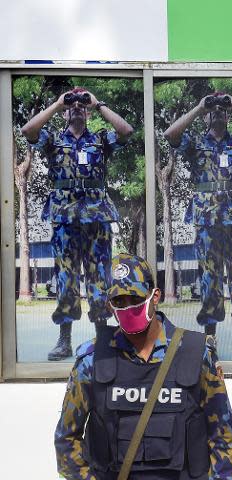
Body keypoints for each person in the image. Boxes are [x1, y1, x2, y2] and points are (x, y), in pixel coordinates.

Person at [54, 253, 232, 480]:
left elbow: (224, 439)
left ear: (155, 297)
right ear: (110, 305)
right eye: (119, 301)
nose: (127, 306)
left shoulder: (197, 354)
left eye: (135, 298)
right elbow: (66, 438)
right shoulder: (92, 360)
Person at [21, 87, 134, 361]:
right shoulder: (53, 140)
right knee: (66, 278)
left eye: (81, 104)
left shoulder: (100, 140)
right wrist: (58, 103)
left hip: (96, 217)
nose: (77, 107)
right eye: (73, 104)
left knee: (99, 278)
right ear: (65, 112)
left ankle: (103, 339)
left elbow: (126, 131)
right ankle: (64, 340)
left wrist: (98, 104)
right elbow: (28, 131)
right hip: (64, 218)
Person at [164, 92, 232, 359]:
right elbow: (170, 135)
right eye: (214, 111)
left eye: (221, 110)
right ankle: (208, 343)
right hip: (207, 221)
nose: (218, 113)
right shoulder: (195, 143)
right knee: (210, 281)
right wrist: (199, 107)